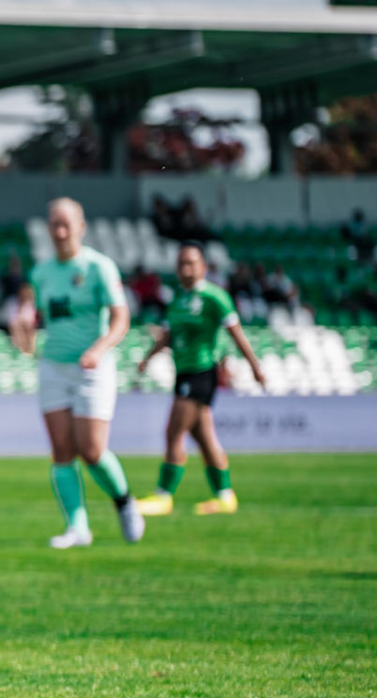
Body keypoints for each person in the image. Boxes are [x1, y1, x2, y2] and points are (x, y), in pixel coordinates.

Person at [15, 197, 143, 549]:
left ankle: (124, 501)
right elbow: (32, 315)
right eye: (53, 224)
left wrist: (99, 349)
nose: (59, 231)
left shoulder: (99, 267)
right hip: (54, 365)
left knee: (92, 450)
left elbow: (121, 318)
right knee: (61, 450)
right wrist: (24, 328)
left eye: (65, 224)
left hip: (92, 368)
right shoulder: (41, 272)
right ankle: (77, 527)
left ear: (80, 227)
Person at [136, 242, 267, 516]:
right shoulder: (177, 300)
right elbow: (169, 336)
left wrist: (255, 366)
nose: (186, 268)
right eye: (181, 263)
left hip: (202, 372)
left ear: (203, 267)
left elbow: (236, 332)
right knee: (204, 436)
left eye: (191, 263)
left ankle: (163, 496)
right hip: (183, 372)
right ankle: (224, 496)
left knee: (174, 431)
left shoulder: (215, 297)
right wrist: (149, 357)